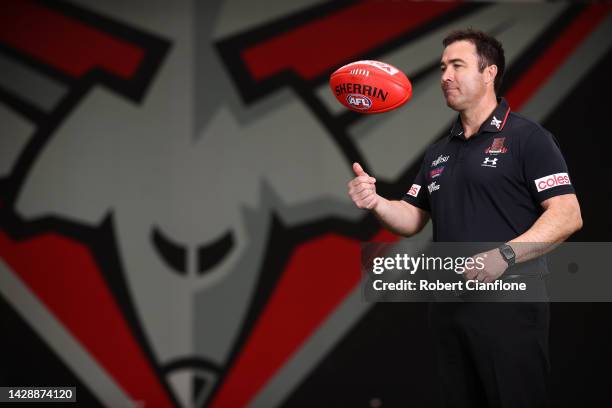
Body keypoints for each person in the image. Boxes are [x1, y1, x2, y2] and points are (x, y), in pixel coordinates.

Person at [348, 29, 582, 408]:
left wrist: (504, 255)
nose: (446, 76)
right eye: (443, 67)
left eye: (457, 65)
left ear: (489, 73)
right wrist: (376, 202)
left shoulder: (528, 138)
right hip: (449, 308)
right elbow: (411, 219)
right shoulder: (438, 153)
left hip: (509, 308)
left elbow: (568, 215)